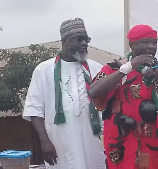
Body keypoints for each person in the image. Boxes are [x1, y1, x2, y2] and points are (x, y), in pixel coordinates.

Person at [89, 24, 158, 169]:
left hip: (156, 148)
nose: (151, 47)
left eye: (154, 43)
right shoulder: (114, 68)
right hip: (123, 147)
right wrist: (129, 67)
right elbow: (94, 91)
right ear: (131, 45)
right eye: (146, 42)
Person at [23, 18, 105, 169]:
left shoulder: (97, 68)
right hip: (59, 142)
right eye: (78, 39)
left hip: (93, 141)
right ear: (64, 41)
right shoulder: (44, 70)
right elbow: (34, 109)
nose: (84, 43)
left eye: (86, 39)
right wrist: (44, 141)